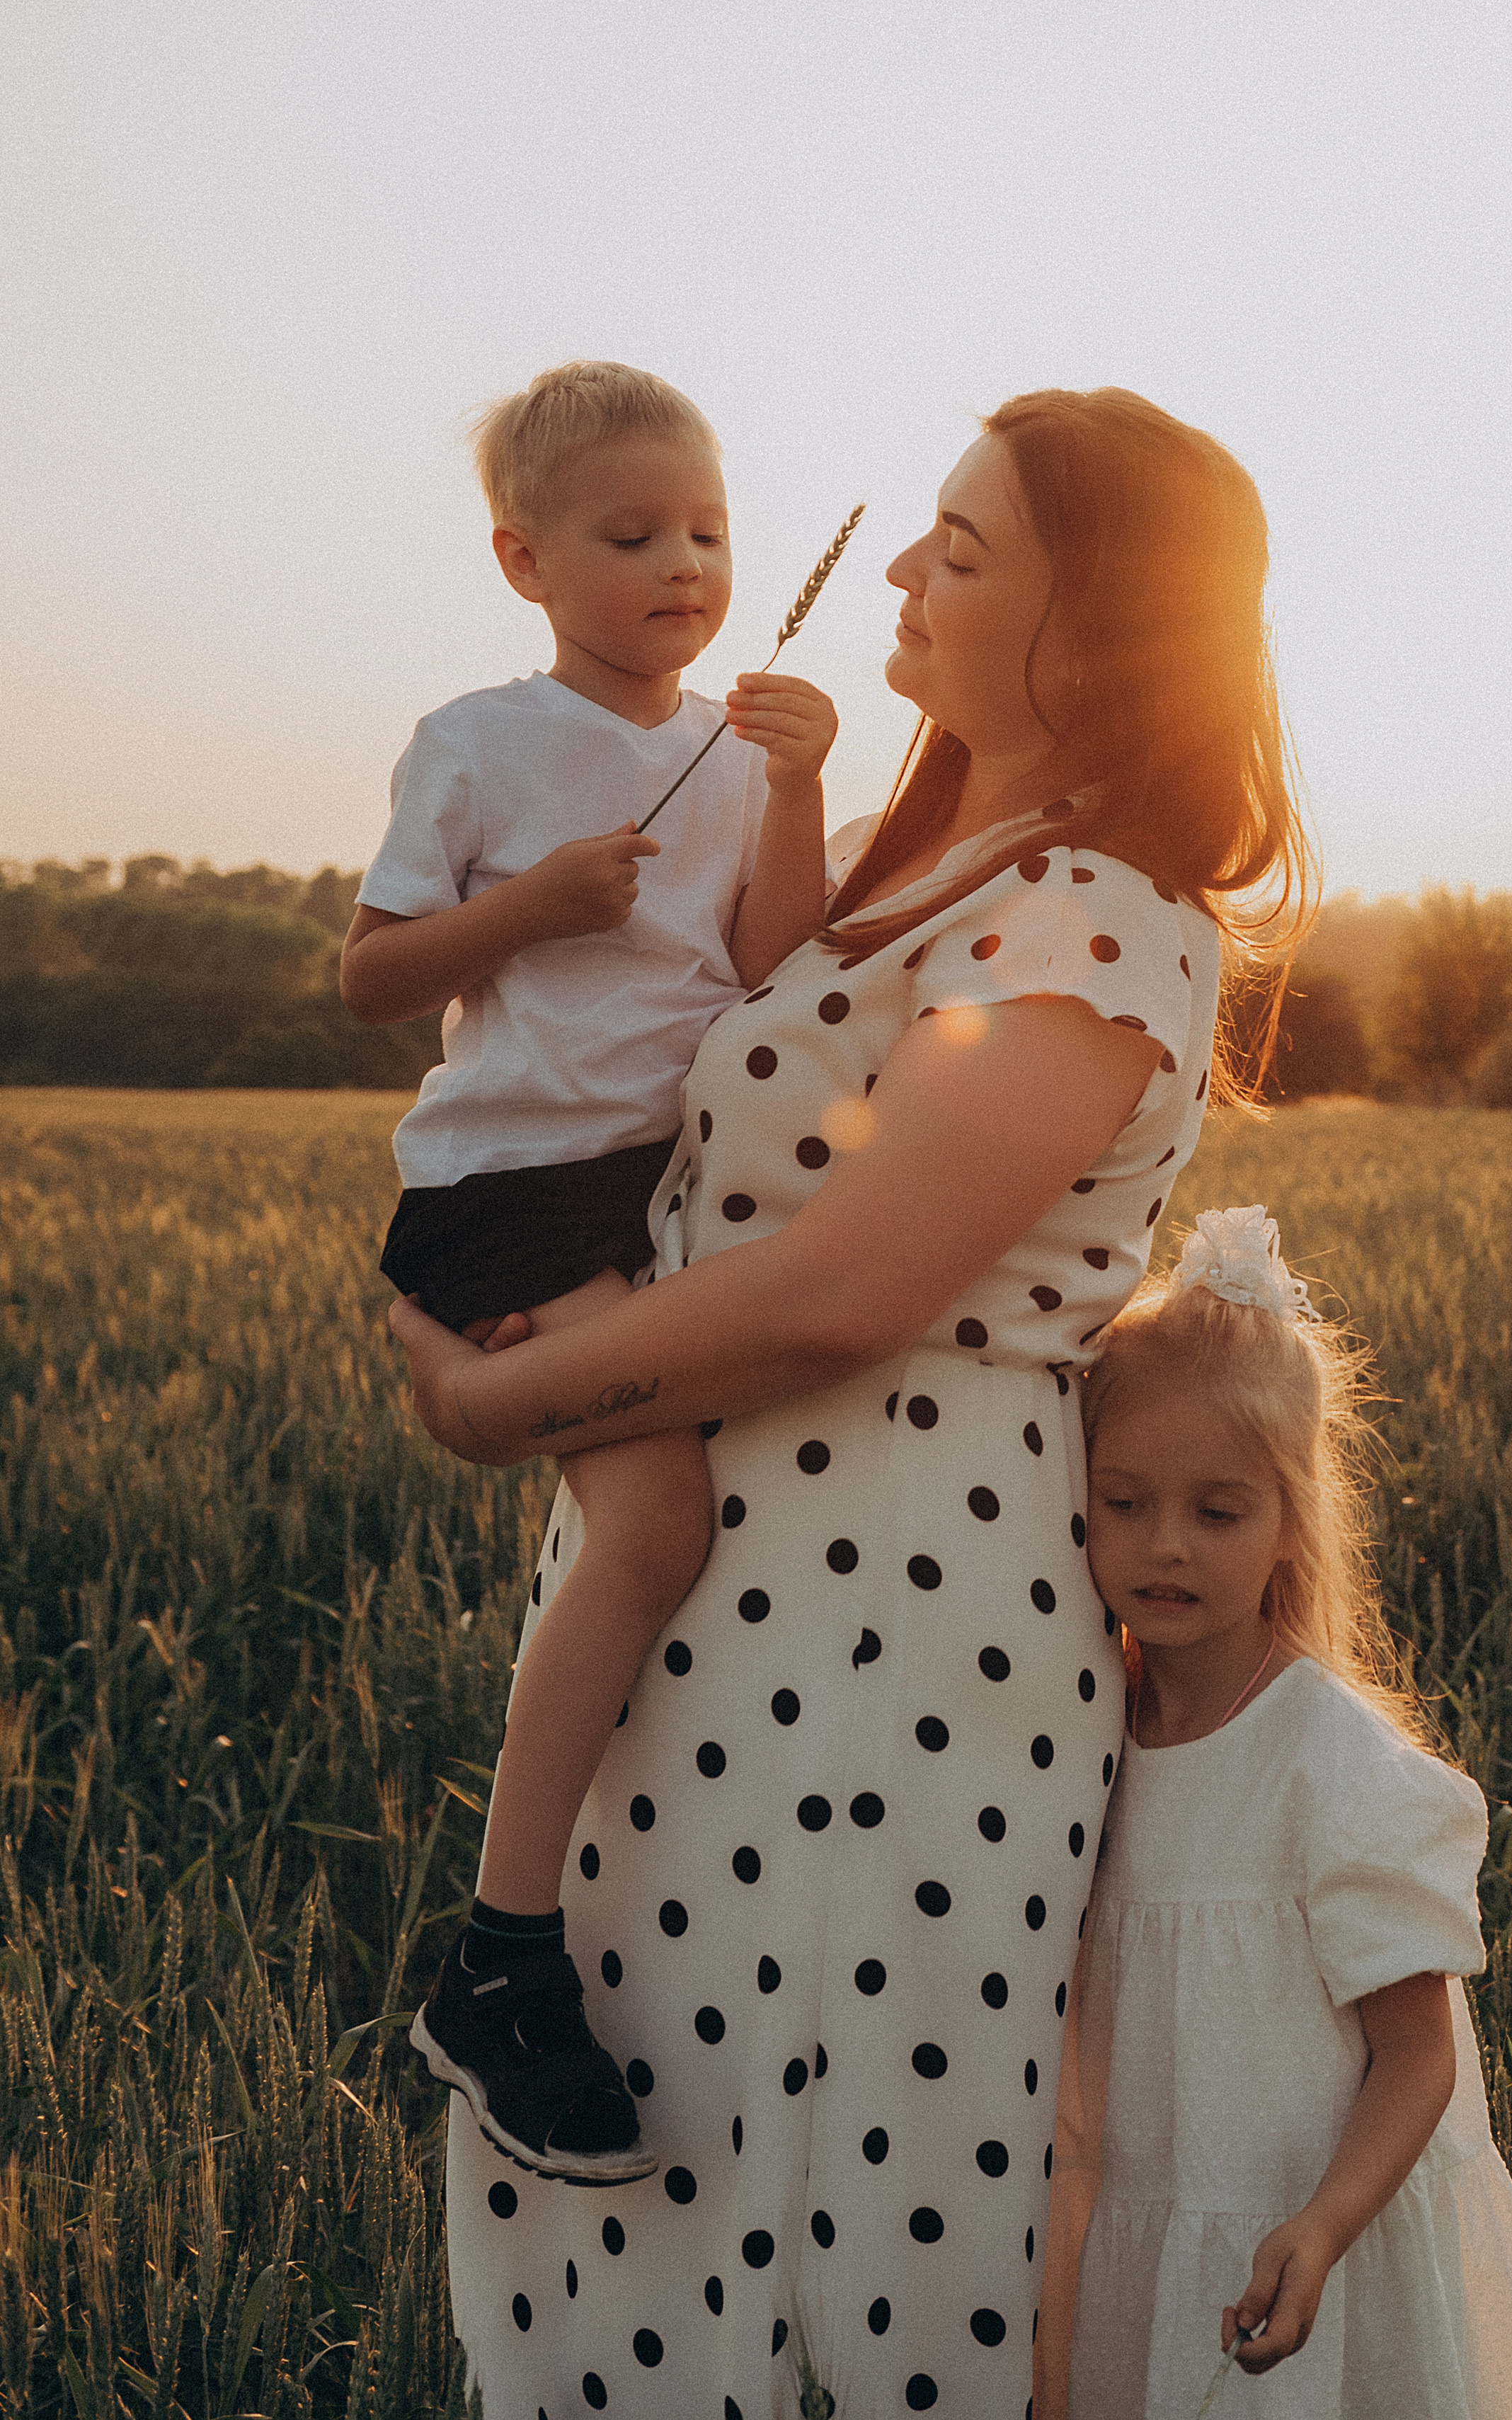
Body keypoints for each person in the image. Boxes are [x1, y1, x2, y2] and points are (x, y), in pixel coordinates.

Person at [389, 386, 1310, 2416]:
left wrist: (502, 1404)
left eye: (963, 552)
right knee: (662, 2143)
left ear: (1103, 634)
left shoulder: (1098, 917)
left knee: (833, 2185)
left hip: (890, 1632)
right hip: (735, 1614)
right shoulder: (941, 868)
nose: (897, 567)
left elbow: (845, 1291)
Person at [343, 360, 837, 2182]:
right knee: (649, 1528)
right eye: (631, 536)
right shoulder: (479, 740)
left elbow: (770, 958)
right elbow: (374, 980)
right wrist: (525, 911)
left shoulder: (730, 746)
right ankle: (501, 1957)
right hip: (517, 1191)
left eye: (706, 529)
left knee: (746, 1468)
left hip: (661, 1191)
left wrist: (794, 789)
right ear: (522, 561)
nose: (683, 563)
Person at [1033, 1204, 1512, 2419]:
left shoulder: (1332, 1766)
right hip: (1156, 2229)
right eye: (1122, 1501)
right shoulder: (1081, 1739)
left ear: (1290, 1521)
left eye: (1218, 1512)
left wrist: (1324, 2225)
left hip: (1319, 2235)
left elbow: (1417, 2053)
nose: (1163, 1545)